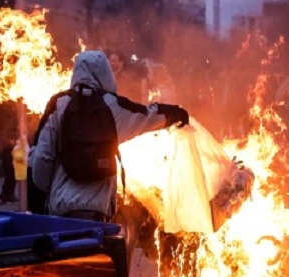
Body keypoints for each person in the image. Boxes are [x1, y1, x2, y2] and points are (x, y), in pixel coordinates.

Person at [30, 50, 189, 222]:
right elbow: (145, 116)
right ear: (105, 73)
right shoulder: (112, 104)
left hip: (61, 209)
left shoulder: (58, 104)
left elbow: (42, 159)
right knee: (97, 249)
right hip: (98, 210)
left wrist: (49, 191)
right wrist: (175, 113)